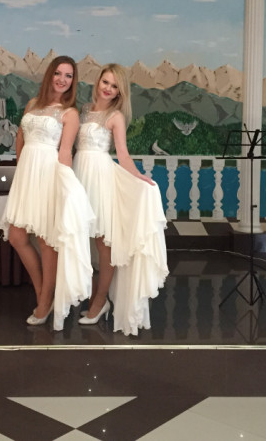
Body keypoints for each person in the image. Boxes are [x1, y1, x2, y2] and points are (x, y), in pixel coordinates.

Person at [73, 63, 168, 336]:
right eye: (106, 82)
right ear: (98, 82)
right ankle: (92, 296)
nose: (108, 88)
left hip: (100, 177)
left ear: (119, 92)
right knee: (80, 241)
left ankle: (100, 301)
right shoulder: (83, 110)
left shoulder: (115, 117)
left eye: (114, 86)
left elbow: (123, 155)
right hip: (79, 174)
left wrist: (139, 177)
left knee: (104, 245)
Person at [2, 56, 94, 330]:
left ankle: (43, 302)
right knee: (17, 236)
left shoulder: (70, 113)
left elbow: (65, 152)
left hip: (49, 176)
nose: (62, 79)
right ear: (50, 75)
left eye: (68, 75)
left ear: (73, 82)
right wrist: (21, 170)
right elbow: (20, 138)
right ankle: (44, 291)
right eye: (58, 73)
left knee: (46, 242)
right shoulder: (32, 104)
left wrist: (65, 187)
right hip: (26, 176)